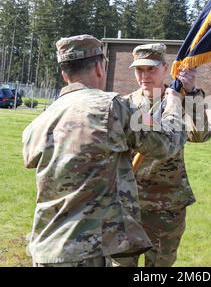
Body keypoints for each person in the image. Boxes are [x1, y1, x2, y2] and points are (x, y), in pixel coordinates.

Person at [22, 35, 186, 267]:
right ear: (100, 67)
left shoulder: (38, 123)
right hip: (89, 251)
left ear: (64, 74)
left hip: (46, 249)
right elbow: (168, 143)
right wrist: (174, 104)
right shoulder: (113, 108)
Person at [112, 43, 211, 267]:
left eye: (151, 69)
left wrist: (192, 92)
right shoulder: (125, 105)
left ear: (165, 68)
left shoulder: (180, 98)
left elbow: (200, 135)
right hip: (129, 203)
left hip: (167, 206)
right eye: (139, 70)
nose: (144, 76)